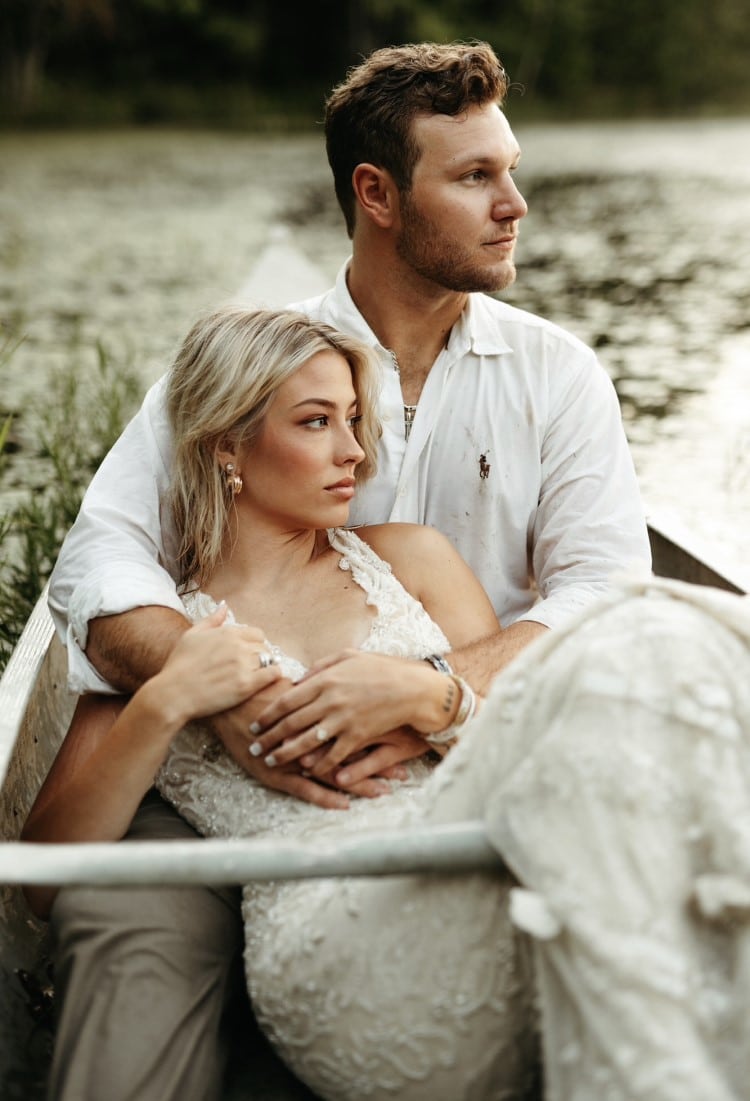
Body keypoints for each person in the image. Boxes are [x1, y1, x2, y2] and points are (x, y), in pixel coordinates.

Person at [43, 40, 651, 1100]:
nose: (516, 205)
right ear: (376, 193)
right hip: (205, 776)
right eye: (475, 177)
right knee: (130, 927)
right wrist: (222, 697)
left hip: (455, 753)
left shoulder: (558, 377)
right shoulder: (251, 361)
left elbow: (607, 599)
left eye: (509, 170)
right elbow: (99, 558)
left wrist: (437, 691)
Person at [27, 305, 750, 1101]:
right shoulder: (163, 631)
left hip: (480, 870)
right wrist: (168, 702)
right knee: (642, 644)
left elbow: (516, 751)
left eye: (354, 420)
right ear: (227, 444)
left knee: (648, 643)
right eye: (316, 422)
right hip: (334, 945)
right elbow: (44, 874)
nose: (355, 452)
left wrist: (436, 695)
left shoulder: (411, 559)